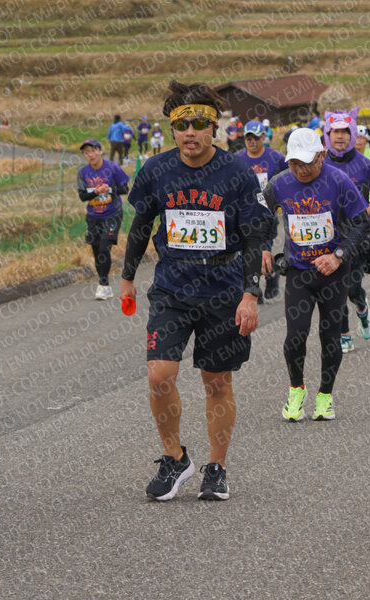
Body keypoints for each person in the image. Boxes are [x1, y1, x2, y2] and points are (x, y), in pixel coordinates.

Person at [120, 81, 271, 502]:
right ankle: (175, 458)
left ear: (213, 128)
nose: (191, 132)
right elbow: (141, 226)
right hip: (172, 286)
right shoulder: (156, 169)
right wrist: (128, 277)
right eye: (182, 125)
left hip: (223, 289)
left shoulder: (237, 172)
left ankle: (216, 467)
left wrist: (250, 294)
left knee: (217, 382)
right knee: (159, 375)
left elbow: (254, 236)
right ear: (172, 129)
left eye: (199, 125)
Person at [262, 129, 370, 422]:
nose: (301, 169)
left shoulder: (339, 181)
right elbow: (259, 218)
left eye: (307, 163)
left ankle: (325, 395)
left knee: (330, 336)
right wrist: (263, 247)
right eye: (295, 163)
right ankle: (296, 389)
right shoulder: (279, 184)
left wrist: (338, 256)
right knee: (295, 336)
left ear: (321, 156)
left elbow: (362, 224)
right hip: (299, 273)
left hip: (333, 273)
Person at [323, 109, 370, 353]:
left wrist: (364, 213)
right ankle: (344, 334)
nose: (339, 136)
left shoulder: (365, 164)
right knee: (334, 288)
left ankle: (362, 307)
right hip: (329, 236)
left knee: (351, 288)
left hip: (357, 236)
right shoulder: (319, 162)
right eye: (335, 131)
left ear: (351, 134)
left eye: (344, 131)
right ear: (327, 134)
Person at [236, 120, 287, 304]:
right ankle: (252, 287)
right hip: (244, 214)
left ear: (264, 137)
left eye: (256, 138)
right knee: (247, 251)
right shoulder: (237, 159)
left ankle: (271, 275)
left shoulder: (276, 158)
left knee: (264, 248)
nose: (252, 142)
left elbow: (289, 178)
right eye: (249, 138)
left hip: (267, 214)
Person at [77, 138, 130, 300]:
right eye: (86, 152)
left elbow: (125, 188)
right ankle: (105, 284)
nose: (90, 155)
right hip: (93, 216)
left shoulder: (112, 168)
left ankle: (103, 284)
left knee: (104, 247)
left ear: (100, 151)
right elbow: (82, 196)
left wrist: (110, 189)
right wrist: (96, 192)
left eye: (93, 150)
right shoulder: (83, 172)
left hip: (112, 214)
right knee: (95, 249)